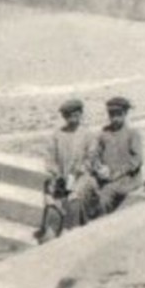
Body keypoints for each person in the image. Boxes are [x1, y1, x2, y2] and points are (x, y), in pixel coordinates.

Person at [35, 96, 98, 242]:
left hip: (82, 177)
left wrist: (77, 173)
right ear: (64, 117)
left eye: (76, 114)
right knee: (52, 194)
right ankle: (51, 228)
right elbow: (50, 157)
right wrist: (55, 174)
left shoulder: (88, 135)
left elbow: (91, 159)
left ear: (81, 114)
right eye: (69, 115)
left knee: (74, 196)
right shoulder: (58, 135)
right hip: (62, 177)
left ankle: (71, 229)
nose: (73, 118)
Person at [90, 96, 142, 215]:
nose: (114, 118)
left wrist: (117, 173)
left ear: (125, 114)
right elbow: (96, 154)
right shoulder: (104, 133)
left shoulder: (132, 134)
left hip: (127, 178)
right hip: (106, 175)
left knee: (106, 194)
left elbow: (137, 160)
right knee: (87, 187)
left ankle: (100, 225)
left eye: (118, 114)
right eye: (111, 115)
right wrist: (97, 167)